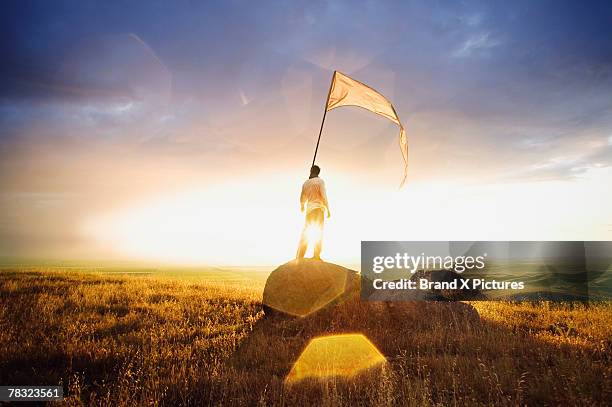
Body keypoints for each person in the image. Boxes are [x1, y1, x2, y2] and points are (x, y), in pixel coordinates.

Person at [296, 165, 330, 260]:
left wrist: (302, 206)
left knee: (306, 231)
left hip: (309, 211)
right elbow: (323, 195)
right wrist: (328, 209)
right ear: (318, 172)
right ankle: (316, 255)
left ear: (311, 171)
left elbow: (302, 197)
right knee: (319, 231)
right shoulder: (320, 181)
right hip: (318, 209)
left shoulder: (306, 183)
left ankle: (300, 255)